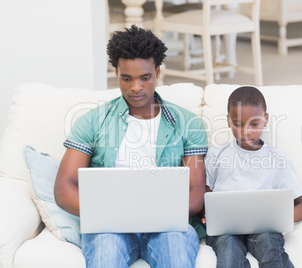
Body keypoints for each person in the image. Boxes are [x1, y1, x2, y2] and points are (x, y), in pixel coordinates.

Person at [54, 25, 208, 268]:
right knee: (105, 254)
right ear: (116, 73)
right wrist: (111, 213)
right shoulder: (92, 121)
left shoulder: (188, 124)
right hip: (109, 227)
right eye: (127, 78)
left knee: (175, 252)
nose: (136, 87)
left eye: (145, 78)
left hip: (167, 227)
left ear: (157, 72)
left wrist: (150, 213)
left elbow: (197, 193)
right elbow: (64, 189)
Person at [203, 86, 302, 268]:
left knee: (271, 251)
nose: (246, 132)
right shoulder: (216, 155)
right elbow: (207, 195)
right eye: (238, 124)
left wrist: (277, 219)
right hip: (226, 230)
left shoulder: (278, 160)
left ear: (265, 120)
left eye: (254, 124)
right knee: (229, 257)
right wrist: (207, 213)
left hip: (265, 228)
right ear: (228, 121)